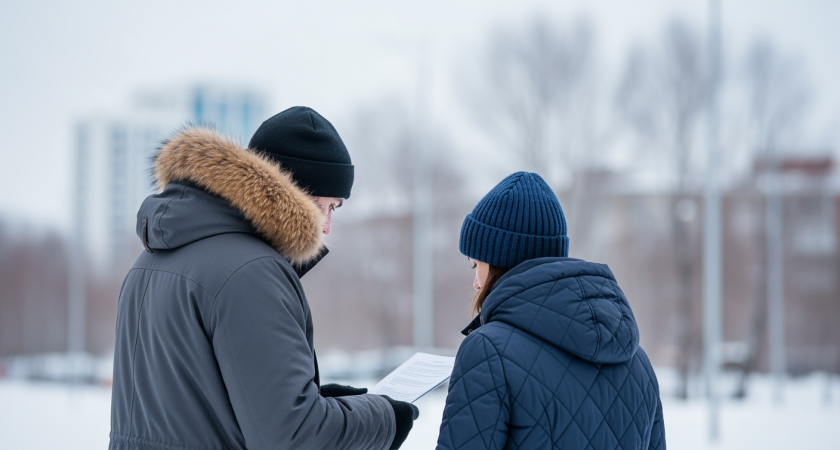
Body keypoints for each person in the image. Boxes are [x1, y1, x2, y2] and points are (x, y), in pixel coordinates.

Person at [109, 106, 418, 450]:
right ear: (288, 195)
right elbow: (293, 438)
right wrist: (385, 418)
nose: (328, 225)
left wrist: (318, 403)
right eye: (323, 205)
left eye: (336, 208)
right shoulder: (251, 272)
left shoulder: (148, 261)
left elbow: (194, 406)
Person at [436, 172, 665, 450]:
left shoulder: (487, 351)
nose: (475, 283)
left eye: (476, 265)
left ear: (501, 262)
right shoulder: (635, 359)